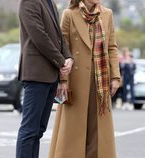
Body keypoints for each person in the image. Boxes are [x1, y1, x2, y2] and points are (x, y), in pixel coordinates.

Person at [49, 0, 121, 158]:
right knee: (73, 129)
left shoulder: (107, 14)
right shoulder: (69, 14)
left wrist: (115, 76)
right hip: (76, 79)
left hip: (100, 80)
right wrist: (63, 81)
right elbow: (63, 47)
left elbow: (112, 47)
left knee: (97, 129)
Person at [16, 0, 74, 157]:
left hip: (51, 74)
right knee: (29, 130)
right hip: (36, 74)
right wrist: (61, 60)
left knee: (39, 130)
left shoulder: (50, 2)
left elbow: (59, 36)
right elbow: (39, 36)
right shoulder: (29, 2)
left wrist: (68, 57)